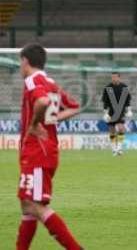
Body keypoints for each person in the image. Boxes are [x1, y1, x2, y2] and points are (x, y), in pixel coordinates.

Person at [16, 43, 84, 250]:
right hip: (44, 151)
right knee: (27, 206)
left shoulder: (32, 80)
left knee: (36, 206)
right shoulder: (50, 82)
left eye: (20, 62)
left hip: (38, 151)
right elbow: (74, 107)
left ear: (25, 61)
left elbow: (43, 101)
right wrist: (51, 119)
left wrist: (35, 124)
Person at [101, 72, 133, 156]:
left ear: (119, 78)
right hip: (111, 111)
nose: (113, 79)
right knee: (112, 130)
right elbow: (105, 102)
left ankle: (119, 149)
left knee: (121, 128)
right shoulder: (108, 88)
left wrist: (129, 110)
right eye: (112, 77)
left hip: (120, 111)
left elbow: (128, 100)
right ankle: (113, 149)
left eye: (115, 77)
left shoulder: (124, 87)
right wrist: (105, 113)